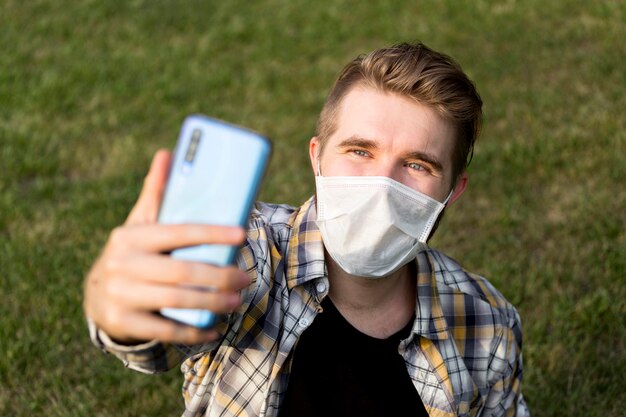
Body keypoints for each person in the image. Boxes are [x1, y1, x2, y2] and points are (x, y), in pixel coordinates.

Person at [84, 42, 529, 417]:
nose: (383, 186)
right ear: (318, 157)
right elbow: (156, 343)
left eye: (417, 164)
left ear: (452, 191)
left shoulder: (487, 322)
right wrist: (122, 314)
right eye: (359, 151)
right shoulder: (243, 251)